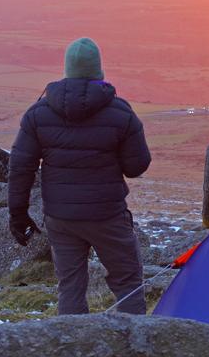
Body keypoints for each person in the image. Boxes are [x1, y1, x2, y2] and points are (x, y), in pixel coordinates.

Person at [8, 37, 151, 315]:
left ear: (67, 70)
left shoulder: (38, 114)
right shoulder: (121, 113)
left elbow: (20, 166)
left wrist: (18, 214)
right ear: (98, 70)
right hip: (108, 215)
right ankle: (133, 349)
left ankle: (72, 350)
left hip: (61, 218)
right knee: (127, 282)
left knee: (70, 286)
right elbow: (136, 166)